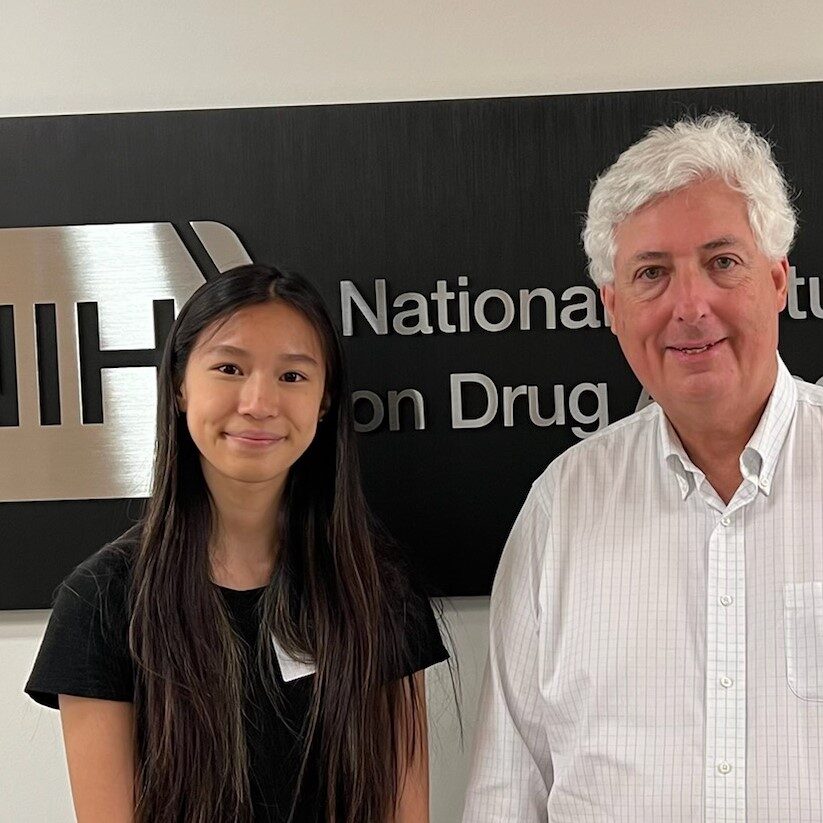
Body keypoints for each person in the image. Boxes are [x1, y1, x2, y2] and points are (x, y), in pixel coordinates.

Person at [463, 113, 823, 822]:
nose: (689, 306)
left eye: (722, 262)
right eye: (651, 273)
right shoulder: (560, 508)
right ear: (612, 307)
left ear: (778, 280)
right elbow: (506, 790)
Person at [26, 264, 449, 823]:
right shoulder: (100, 604)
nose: (258, 402)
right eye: (229, 368)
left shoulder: (377, 588)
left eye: (292, 376)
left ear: (324, 402)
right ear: (180, 386)